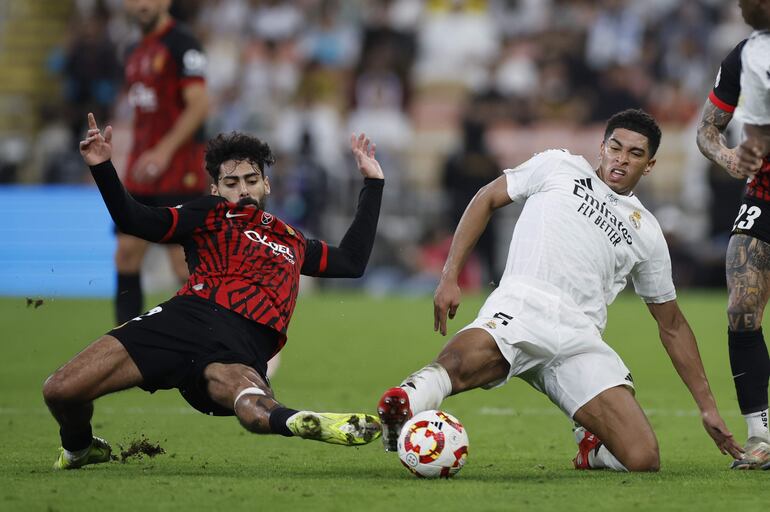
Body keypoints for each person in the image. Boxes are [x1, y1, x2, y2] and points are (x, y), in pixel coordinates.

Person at [377, 109, 743, 472]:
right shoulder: (558, 165)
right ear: (601, 147)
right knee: (457, 364)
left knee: (643, 458)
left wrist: (707, 406)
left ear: (649, 165)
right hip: (521, 308)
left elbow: (672, 324)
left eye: (635, 154)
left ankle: (592, 450)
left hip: (579, 340)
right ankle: (402, 405)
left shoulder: (646, 230)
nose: (621, 159)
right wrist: (450, 275)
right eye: (616, 147)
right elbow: (487, 197)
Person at [43, 113, 384, 469]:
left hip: (243, 341)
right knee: (60, 390)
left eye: (251, 180)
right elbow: (135, 219)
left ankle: (297, 421)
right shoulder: (208, 214)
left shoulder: (293, 239)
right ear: (216, 190)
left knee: (253, 409)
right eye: (232, 183)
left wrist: (373, 183)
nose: (243, 190)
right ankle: (80, 448)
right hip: (184, 318)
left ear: (266, 185)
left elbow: (351, 262)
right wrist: (103, 167)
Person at [695, 0, 770, 469]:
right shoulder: (743, 57)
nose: (743, 4)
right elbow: (707, 129)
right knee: (742, 305)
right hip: (764, 193)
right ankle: (759, 436)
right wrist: (727, 158)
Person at [116, 0, 210, 325]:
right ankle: (124, 344)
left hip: (178, 170)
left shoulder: (183, 43)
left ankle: (207, 337)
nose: (141, 4)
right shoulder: (132, 50)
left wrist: (164, 150)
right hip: (141, 173)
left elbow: (199, 106)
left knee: (181, 263)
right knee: (126, 254)